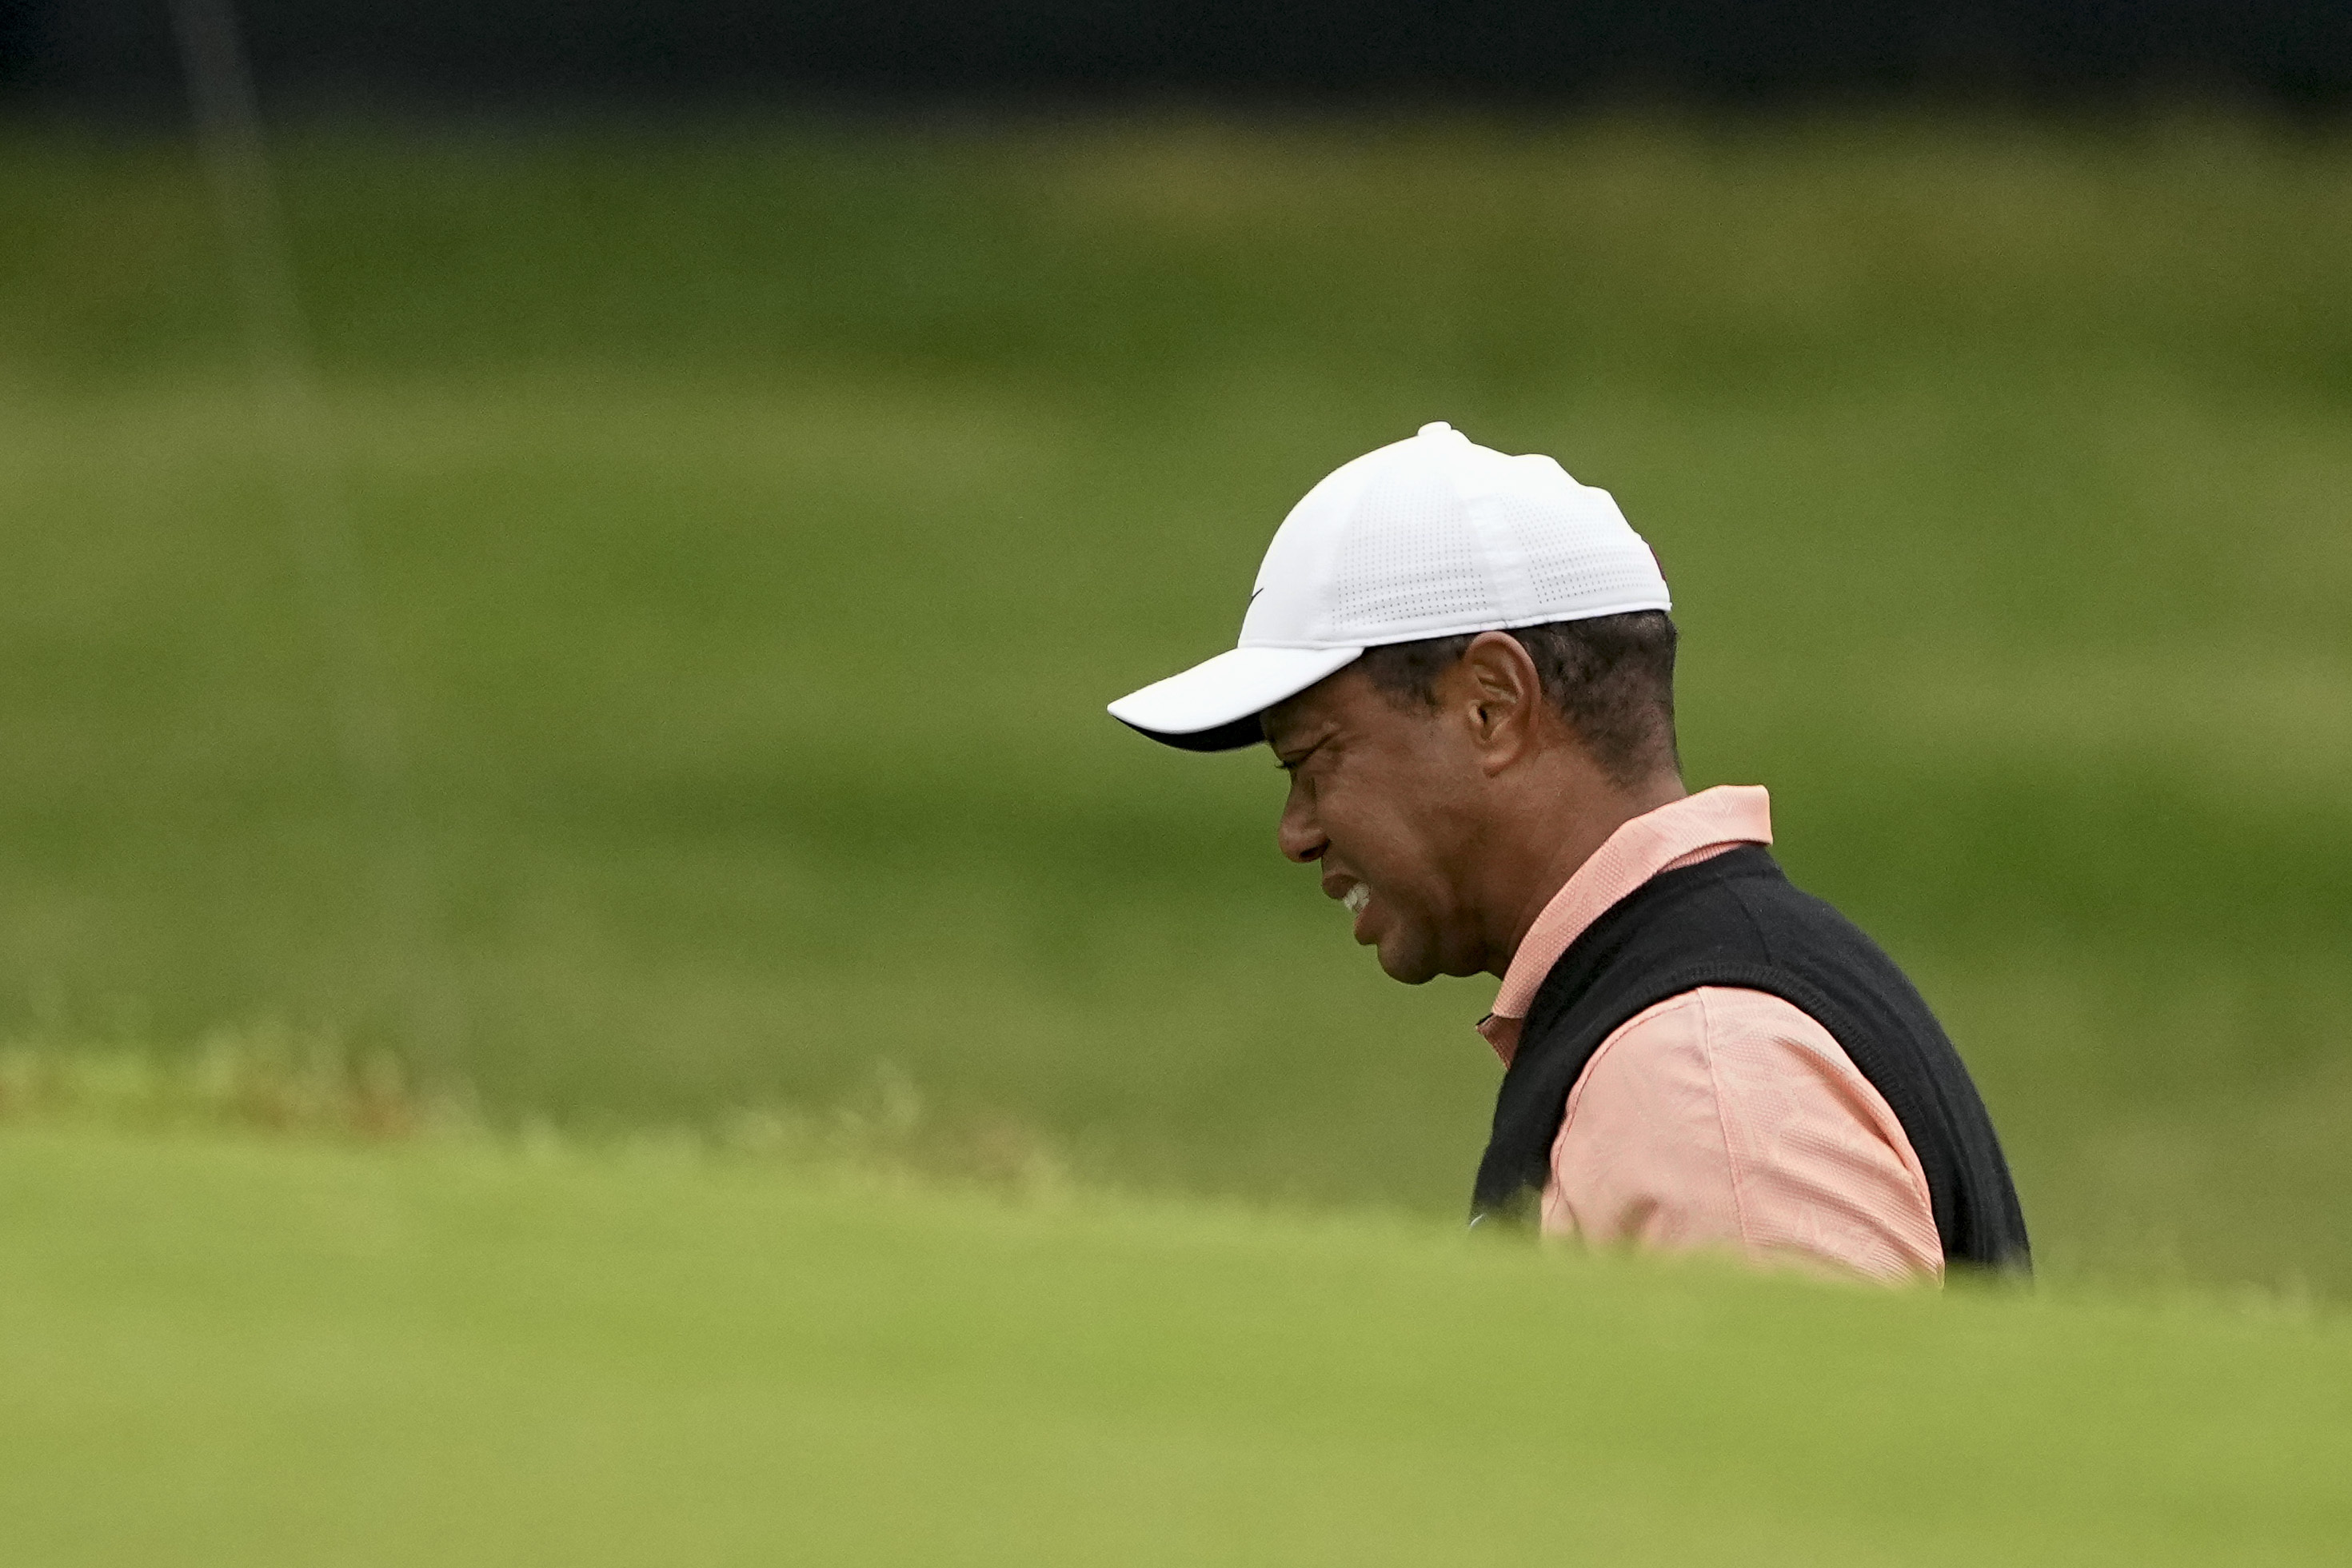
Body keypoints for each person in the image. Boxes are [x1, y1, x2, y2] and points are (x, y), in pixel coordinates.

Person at [1108, 421, 2029, 1283]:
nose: (1295, 831)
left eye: (1312, 760)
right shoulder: (1684, 1014)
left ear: (1492, 704)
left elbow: (1811, 1450)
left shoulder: (1699, 1072)